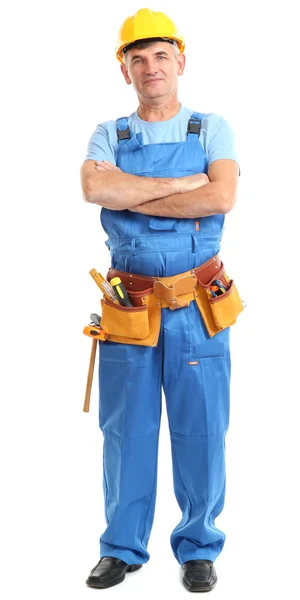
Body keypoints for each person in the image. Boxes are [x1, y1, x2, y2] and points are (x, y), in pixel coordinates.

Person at [80, 7, 240, 593]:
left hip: (200, 304)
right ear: (124, 70)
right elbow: (95, 187)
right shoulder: (108, 134)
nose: (151, 68)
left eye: (160, 56)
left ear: (181, 61)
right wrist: (182, 186)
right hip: (129, 305)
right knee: (128, 429)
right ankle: (122, 548)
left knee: (201, 428)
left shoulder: (212, 129)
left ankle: (198, 546)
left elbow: (221, 198)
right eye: (137, 58)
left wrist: (134, 196)